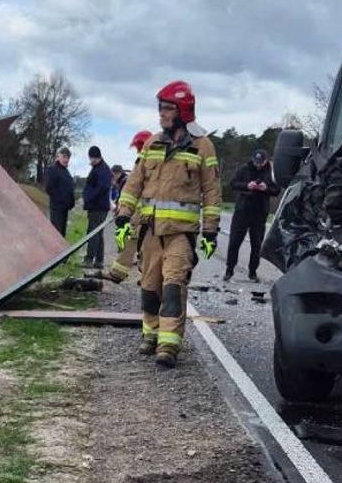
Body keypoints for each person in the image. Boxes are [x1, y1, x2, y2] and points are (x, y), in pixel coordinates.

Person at [114, 84, 221, 367]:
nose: (161, 114)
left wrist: (210, 230)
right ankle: (150, 334)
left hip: (180, 235)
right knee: (150, 288)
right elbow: (134, 182)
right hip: (150, 232)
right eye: (160, 108)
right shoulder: (152, 144)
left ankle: (169, 345)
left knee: (173, 286)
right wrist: (124, 216)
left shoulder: (203, 146)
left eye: (167, 108)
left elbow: (212, 192)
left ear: (183, 111)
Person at [108, 131, 153, 284]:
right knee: (138, 244)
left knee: (141, 245)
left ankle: (141, 276)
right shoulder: (146, 161)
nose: (138, 150)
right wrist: (123, 211)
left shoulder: (146, 162)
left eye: (139, 147)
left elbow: (135, 189)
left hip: (144, 214)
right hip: (140, 213)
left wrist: (125, 211)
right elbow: (131, 191)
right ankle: (126, 273)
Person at [224, 148, 276, 282]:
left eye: (261, 162)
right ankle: (229, 269)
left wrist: (266, 188)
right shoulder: (244, 169)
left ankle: (252, 272)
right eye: (256, 162)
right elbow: (233, 184)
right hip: (243, 210)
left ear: (265, 161)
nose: (258, 165)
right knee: (235, 241)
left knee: (257, 245)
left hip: (260, 213)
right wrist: (247, 186)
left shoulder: (271, 172)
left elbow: (277, 189)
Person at [81, 145, 114, 269]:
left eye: (92, 158)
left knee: (93, 233)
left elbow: (102, 187)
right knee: (98, 233)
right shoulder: (99, 168)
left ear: (96, 157)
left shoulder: (102, 169)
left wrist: (89, 197)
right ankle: (99, 260)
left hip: (98, 206)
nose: (91, 160)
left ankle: (89, 259)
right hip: (98, 206)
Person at [43, 147, 74, 237]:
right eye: (64, 157)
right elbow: (49, 188)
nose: (66, 160)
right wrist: (60, 200)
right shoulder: (53, 169)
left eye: (68, 158)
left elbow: (69, 188)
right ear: (58, 156)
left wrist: (71, 202)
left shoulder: (66, 172)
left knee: (62, 234)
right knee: (56, 233)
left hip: (65, 209)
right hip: (57, 208)